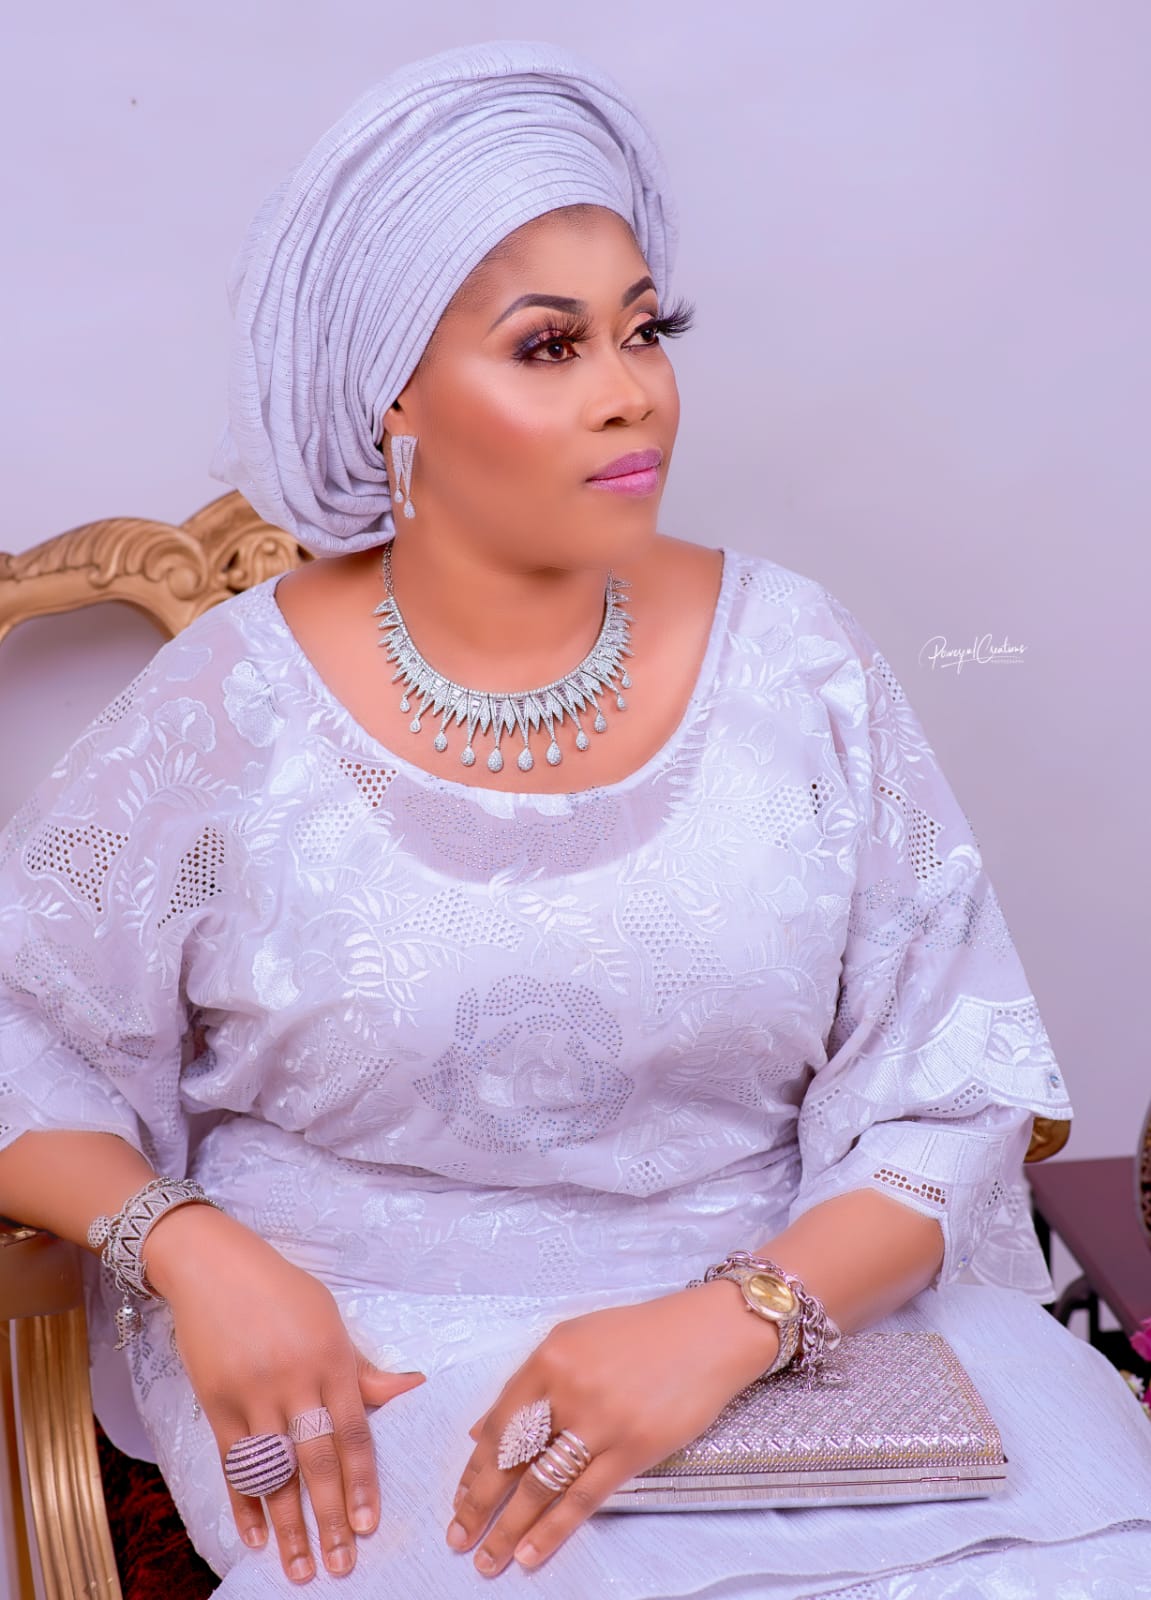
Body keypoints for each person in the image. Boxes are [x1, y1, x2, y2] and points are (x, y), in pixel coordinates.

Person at [1, 38, 1148, 1600]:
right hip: (375, 1363)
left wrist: (733, 1321)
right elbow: (22, 1036)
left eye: (645, 329)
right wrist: (189, 1247)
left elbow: (951, 1095)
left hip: (796, 1335)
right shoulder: (230, 712)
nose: (632, 393)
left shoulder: (797, 662)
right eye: (550, 347)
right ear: (393, 394)